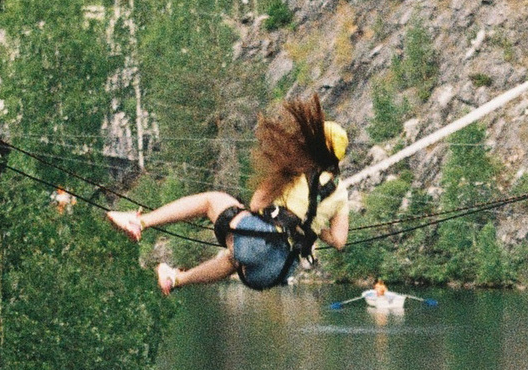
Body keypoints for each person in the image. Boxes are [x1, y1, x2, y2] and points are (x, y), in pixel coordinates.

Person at [108, 96, 349, 294]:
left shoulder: (296, 169)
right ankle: (177, 279)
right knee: (233, 261)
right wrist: (312, 228)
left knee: (212, 201)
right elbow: (339, 241)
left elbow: (256, 204)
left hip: (261, 241)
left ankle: (140, 221)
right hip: (277, 270)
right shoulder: (340, 192)